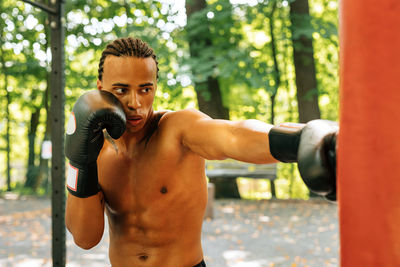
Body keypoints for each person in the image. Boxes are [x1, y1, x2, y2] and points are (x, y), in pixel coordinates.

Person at [65, 37, 337, 267]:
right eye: (121, 90)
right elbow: (85, 238)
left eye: (145, 89)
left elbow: (232, 135)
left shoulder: (177, 129)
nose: (135, 103)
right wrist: (80, 163)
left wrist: (297, 140)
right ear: (100, 88)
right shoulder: (93, 150)